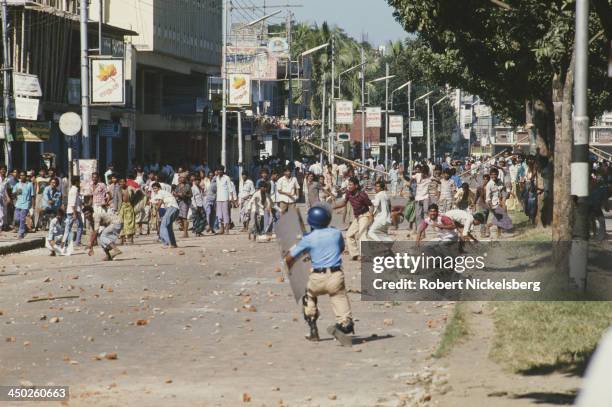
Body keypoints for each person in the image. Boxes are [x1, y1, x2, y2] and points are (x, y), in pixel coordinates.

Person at [283, 204, 354, 346]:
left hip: (317, 279)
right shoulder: (335, 233)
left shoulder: (308, 239)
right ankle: (344, 325)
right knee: (339, 296)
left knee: (308, 295)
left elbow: (290, 258)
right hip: (336, 276)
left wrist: (290, 267)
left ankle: (313, 329)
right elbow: (341, 248)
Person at [334, 177, 372, 261]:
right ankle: (355, 254)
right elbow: (344, 203)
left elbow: (370, 205)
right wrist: (334, 206)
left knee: (362, 234)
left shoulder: (362, 195)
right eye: (348, 184)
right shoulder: (348, 193)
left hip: (365, 216)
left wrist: (371, 217)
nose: (349, 186)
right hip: (357, 217)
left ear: (356, 185)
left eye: (351, 185)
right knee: (349, 235)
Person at [485, 168, 513, 238]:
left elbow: (502, 189)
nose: (494, 176)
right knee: (500, 218)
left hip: (499, 202)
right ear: (490, 175)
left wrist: (505, 195)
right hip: (493, 204)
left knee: (499, 219)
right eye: (492, 175)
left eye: (495, 174)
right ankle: (489, 228)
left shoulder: (499, 181)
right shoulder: (489, 185)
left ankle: (498, 234)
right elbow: (487, 198)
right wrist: (491, 206)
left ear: (497, 175)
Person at [151, 182, 179, 248]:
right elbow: (153, 201)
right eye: (153, 189)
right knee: (168, 227)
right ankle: (173, 244)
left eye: (155, 188)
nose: (154, 190)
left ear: (159, 188)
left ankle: (168, 243)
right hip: (175, 209)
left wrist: (156, 210)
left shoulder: (160, 192)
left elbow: (160, 202)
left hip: (172, 207)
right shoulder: (162, 193)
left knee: (163, 225)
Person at [11, 171, 34, 239]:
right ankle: (24, 227)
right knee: (16, 219)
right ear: (19, 176)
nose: (22, 177)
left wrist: (33, 206)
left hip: (26, 204)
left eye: (23, 175)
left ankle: (21, 233)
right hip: (18, 204)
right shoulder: (17, 184)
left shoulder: (30, 184)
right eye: (20, 175)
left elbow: (32, 195)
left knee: (22, 219)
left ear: (26, 176)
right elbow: (13, 194)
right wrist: (16, 193)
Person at [62, 176, 83, 247]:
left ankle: (65, 242)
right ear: (76, 182)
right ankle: (77, 241)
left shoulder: (71, 189)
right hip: (74, 211)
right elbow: (73, 203)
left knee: (68, 227)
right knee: (80, 226)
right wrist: (74, 213)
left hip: (70, 211)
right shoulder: (75, 190)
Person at [214, 166, 234, 235]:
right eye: (218, 170)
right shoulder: (216, 178)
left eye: (220, 170)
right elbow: (217, 188)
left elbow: (230, 189)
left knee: (226, 214)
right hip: (218, 199)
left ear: (223, 171)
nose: (219, 171)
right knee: (219, 215)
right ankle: (221, 229)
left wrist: (231, 199)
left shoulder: (226, 178)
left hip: (225, 198)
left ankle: (227, 229)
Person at [117, 179, 136, 244]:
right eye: (120, 182)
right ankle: (122, 238)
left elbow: (137, 193)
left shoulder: (130, 188)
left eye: (123, 182)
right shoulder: (118, 189)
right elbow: (116, 199)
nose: (122, 183)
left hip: (129, 206)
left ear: (126, 182)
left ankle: (130, 238)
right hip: (121, 206)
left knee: (130, 222)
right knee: (120, 222)